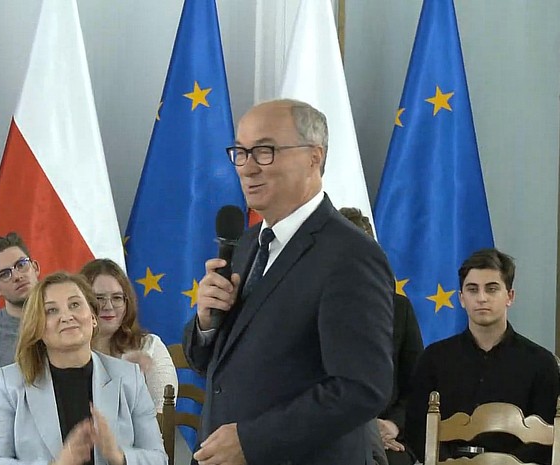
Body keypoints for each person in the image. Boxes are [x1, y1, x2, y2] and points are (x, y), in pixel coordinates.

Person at [184, 99, 395, 465]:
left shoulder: (350, 254)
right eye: (240, 152)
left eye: (265, 151)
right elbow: (217, 367)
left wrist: (252, 441)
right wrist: (206, 322)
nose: (247, 167)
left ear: (314, 157)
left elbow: (361, 387)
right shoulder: (247, 243)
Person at [0, 271, 167, 465]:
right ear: (37, 327)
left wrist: (118, 456)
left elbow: (159, 458)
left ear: (93, 318)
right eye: (52, 310)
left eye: (75, 305)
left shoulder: (129, 377)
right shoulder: (9, 383)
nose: (66, 316)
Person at [405, 248, 560, 464]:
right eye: (472, 289)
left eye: (491, 289)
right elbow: (416, 428)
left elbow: (547, 439)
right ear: (461, 298)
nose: (481, 298)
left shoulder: (541, 363)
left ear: (510, 296)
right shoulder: (433, 358)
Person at [340, 207, 424, 465]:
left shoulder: (399, 310)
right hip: (329, 434)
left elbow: (418, 386)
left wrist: (393, 425)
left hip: (387, 435)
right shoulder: (307, 309)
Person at [79, 258, 178, 413]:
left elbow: (162, 415)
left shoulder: (149, 347)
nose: (109, 306)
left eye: (117, 298)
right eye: (99, 298)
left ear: (127, 303)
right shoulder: (67, 352)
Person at [0, 232, 41, 367]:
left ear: (35, 268)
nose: (17, 276)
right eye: (4, 274)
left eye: (21, 265)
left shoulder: (65, 318)